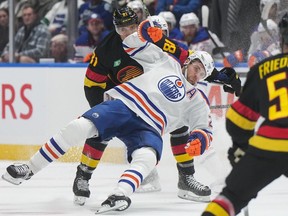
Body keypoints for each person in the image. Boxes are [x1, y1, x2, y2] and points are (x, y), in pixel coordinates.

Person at [2, 24, 214, 214]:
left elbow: (204, 129)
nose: (196, 76)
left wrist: (200, 141)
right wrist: (145, 31)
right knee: (78, 127)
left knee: (148, 157)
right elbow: (130, 44)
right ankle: (29, 169)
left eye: (202, 75)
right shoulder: (165, 61)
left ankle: (119, 194)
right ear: (189, 61)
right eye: (196, 69)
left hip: (150, 128)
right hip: (123, 106)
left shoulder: (197, 99)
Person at [73, 6, 242, 206]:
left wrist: (219, 76)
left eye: (131, 27)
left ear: (137, 25)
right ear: (115, 29)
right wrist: (99, 112)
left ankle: (186, 178)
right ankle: (83, 177)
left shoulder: (149, 42)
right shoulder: (105, 50)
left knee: (180, 123)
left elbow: (187, 59)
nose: (127, 33)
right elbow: (92, 85)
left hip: (149, 98)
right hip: (120, 96)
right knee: (100, 131)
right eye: (121, 29)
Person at [201, 12, 288, 216]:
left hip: (269, 145)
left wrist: (241, 146)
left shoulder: (263, 68)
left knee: (231, 197)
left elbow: (237, 121)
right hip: (270, 143)